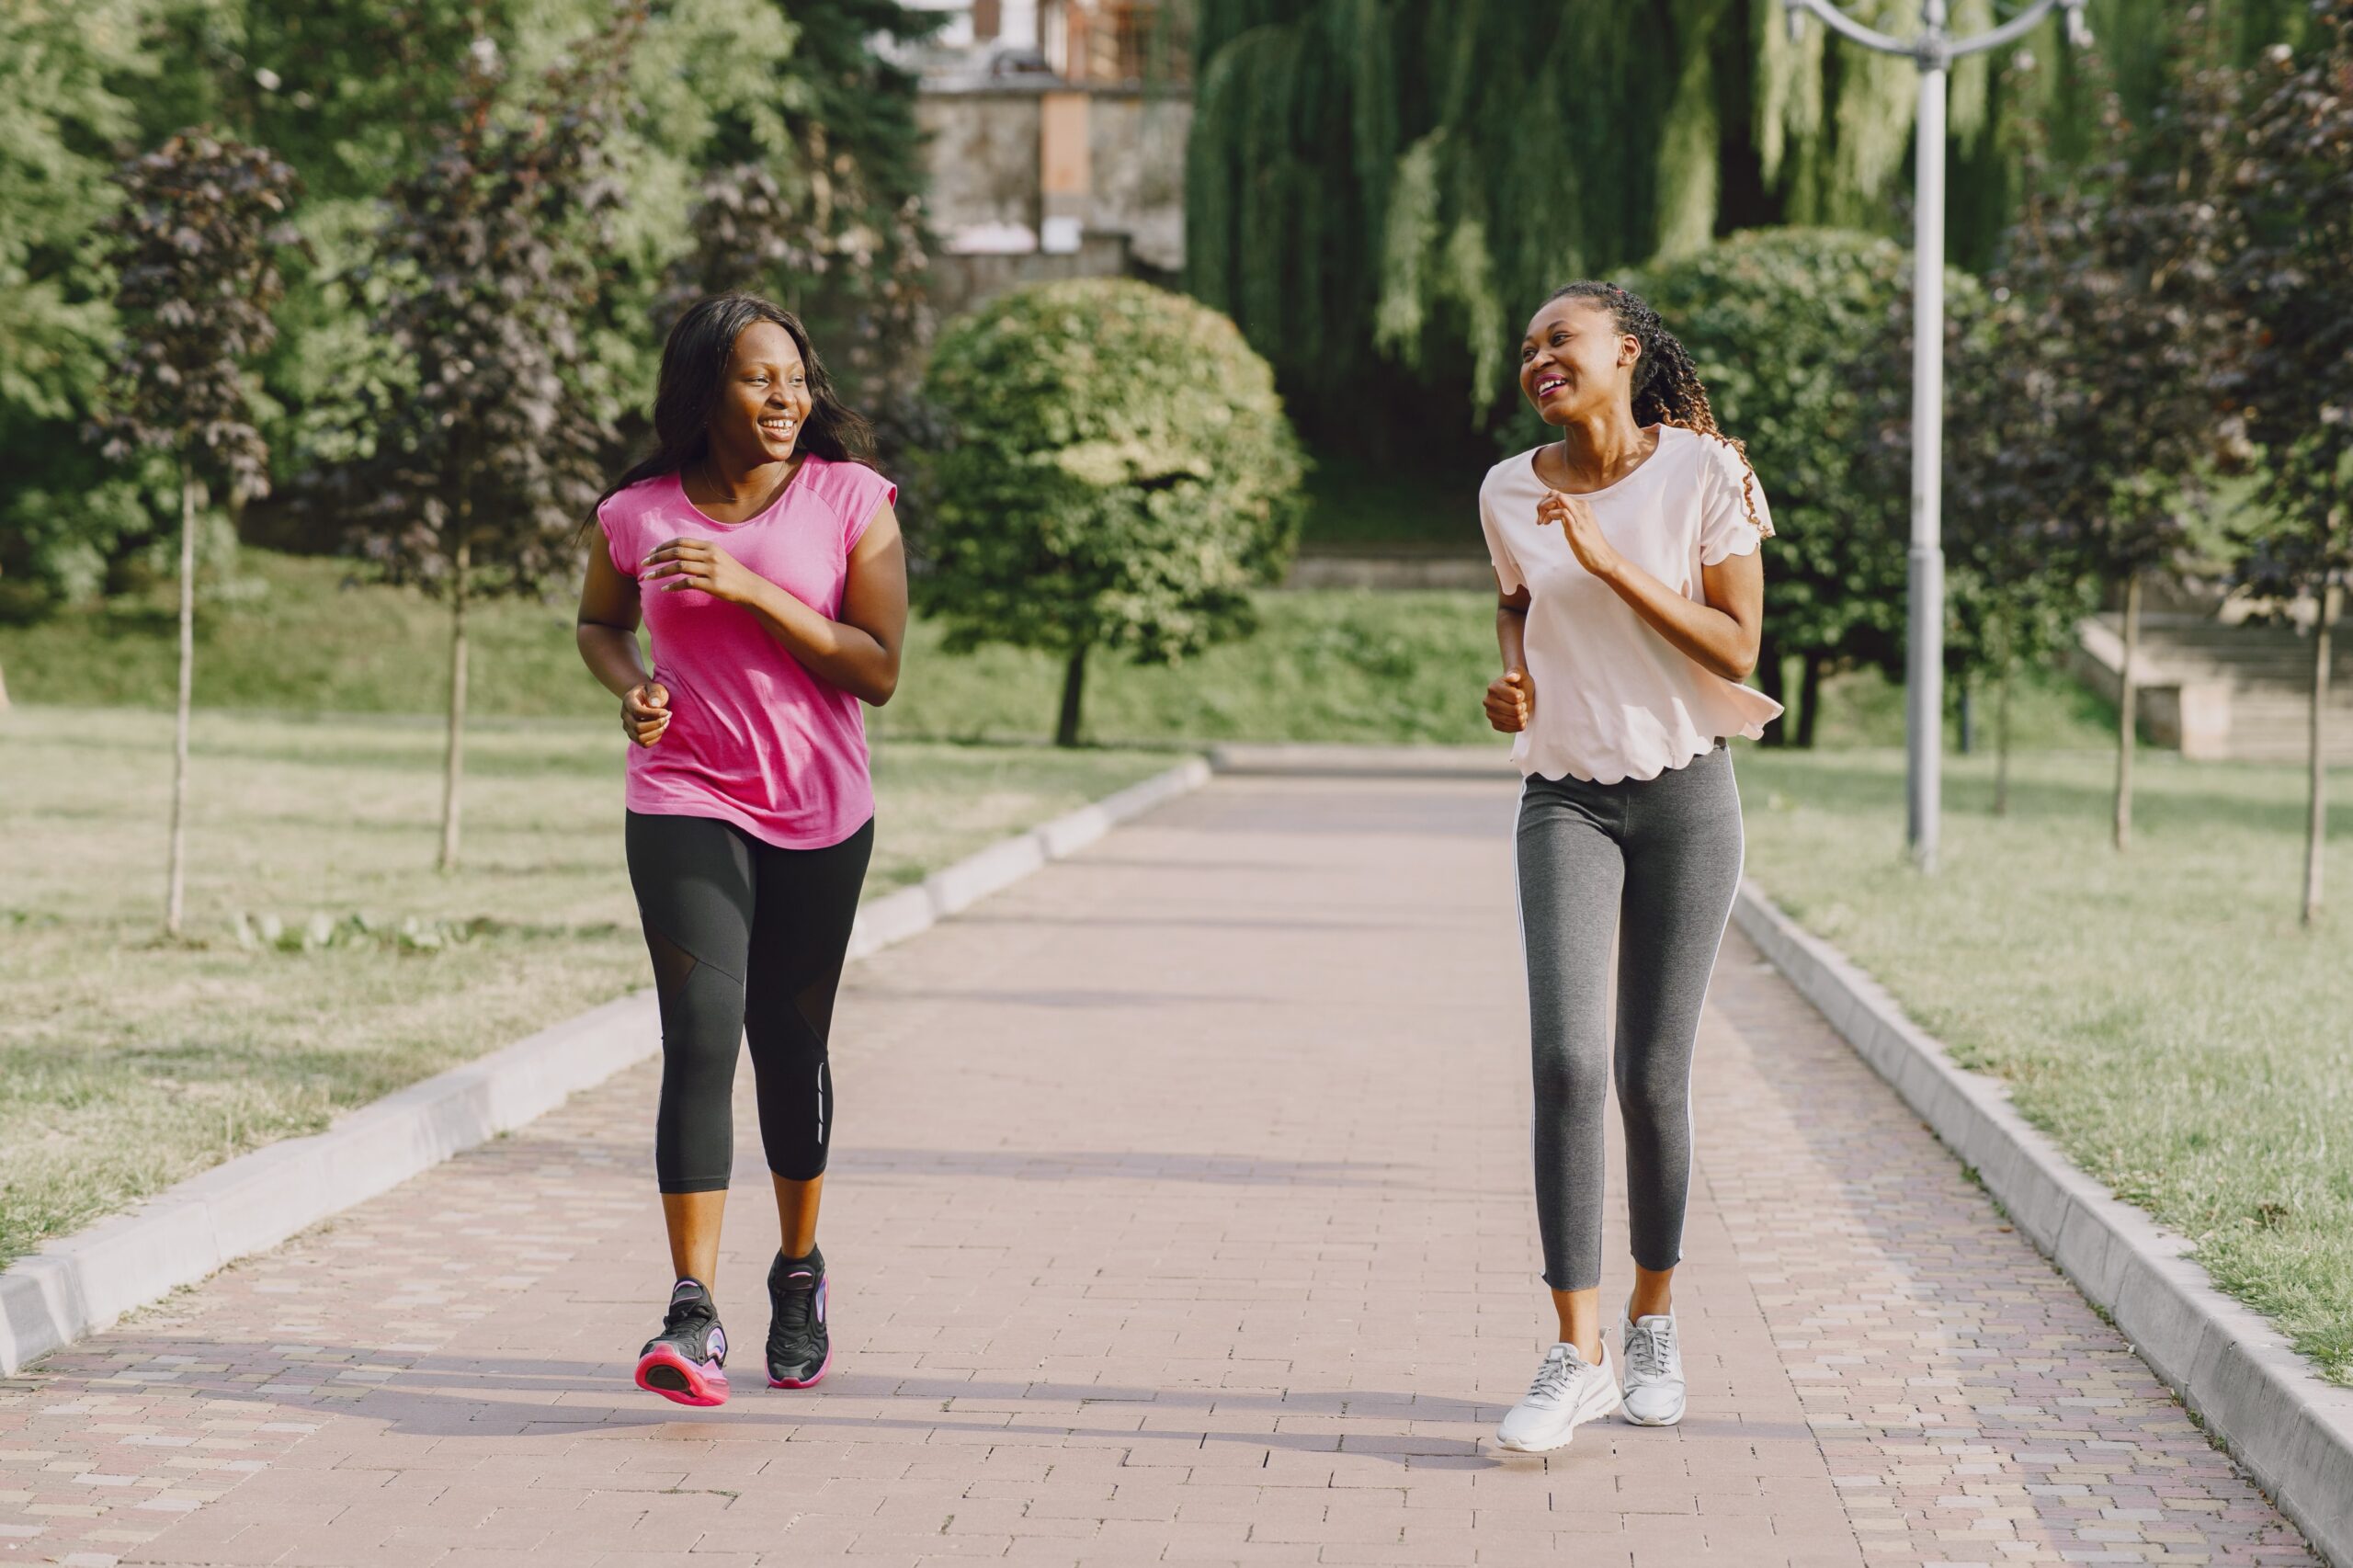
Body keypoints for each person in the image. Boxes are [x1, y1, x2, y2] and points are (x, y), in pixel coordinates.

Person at [575, 293, 907, 1406]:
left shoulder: (850, 497)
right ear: (705, 389)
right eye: (761, 379)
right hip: (683, 796)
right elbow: (599, 623)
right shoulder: (635, 510)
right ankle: (690, 1307)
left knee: (790, 1039)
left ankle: (799, 1270)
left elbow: (876, 667)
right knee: (701, 1036)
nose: (786, 397)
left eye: (797, 378)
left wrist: (751, 585)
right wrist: (634, 691)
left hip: (821, 804)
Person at [1479, 280, 1780, 1453]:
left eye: (1560, 336)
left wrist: (1607, 562)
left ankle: (1654, 1319)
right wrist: (1508, 674)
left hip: (1687, 797)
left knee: (1650, 1076)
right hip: (1563, 796)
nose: (1538, 353)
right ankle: (1575, 1350)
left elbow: (1735, 641)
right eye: (1527, 343)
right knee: (1563, 1058)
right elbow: (1511, 600)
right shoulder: (1508, 487)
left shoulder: (1709, 473)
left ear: (1626, 351)